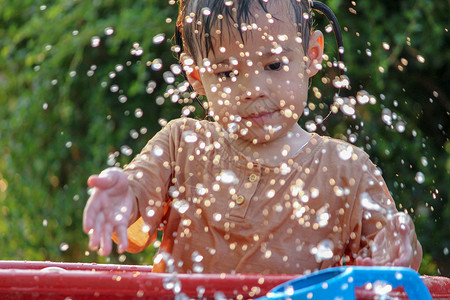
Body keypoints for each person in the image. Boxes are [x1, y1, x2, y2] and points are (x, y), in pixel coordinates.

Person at [83, 0, 422, 274]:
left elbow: (394, 267)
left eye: (274, 65)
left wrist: (397, 255)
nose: (252, 89)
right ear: (197, 77)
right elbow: (135, 203)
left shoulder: (346, 170)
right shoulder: (181, 144)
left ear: (312, 55)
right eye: (227, 73)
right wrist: (122, 197)